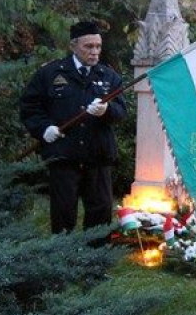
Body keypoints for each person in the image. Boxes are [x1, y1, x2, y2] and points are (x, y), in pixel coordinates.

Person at [20, 21, 127, 233]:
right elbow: (29, 107)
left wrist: (106, 110)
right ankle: (65, 258)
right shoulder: (50, 75)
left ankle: (95, 260)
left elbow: (121, 112)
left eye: (98, 46)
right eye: (88, 46)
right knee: (63, 212)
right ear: (73, 46)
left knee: (100, 212)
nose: (95, 52)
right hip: (64, 155)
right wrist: (44, 128)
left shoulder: (108, 76)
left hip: (97, 156)